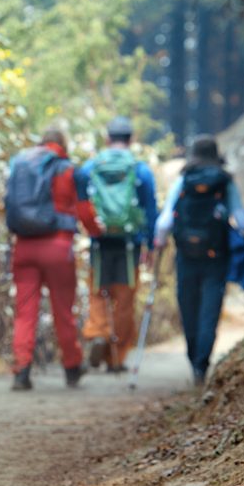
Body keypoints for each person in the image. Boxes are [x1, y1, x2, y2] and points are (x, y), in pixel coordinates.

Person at [5, 129, 102, 390]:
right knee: (63, 311)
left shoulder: (22, 165)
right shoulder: (69, 169)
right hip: (58, 247)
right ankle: (72, 368)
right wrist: (96, 232)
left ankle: (21, 371)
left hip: (24, 247)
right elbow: (84, 210)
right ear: (63, 143)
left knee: (25, 313)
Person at [155, 134, 244, 385]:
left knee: (188, 306)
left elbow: (164, 220)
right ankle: (201, 365)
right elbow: (240, 219)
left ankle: (192, 356)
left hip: (186, 254)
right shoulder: (224, 181)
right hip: (216, 255)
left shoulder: (184, 178)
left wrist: (160, 241)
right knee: (210, 309)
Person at [75, 116, 157, 373]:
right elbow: (150, 210)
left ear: (107, 139)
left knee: (98, 292)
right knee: (125, 299)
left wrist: (91, 228)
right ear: (131, 140)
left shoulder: (91, 168)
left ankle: (98, 331)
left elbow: (80, 201)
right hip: (130, 244)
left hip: (99, 242)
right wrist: (151, 246)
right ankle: (116, 358)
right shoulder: (140, 170)